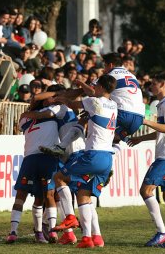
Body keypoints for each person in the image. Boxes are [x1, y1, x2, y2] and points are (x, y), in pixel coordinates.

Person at [51, 74, 117, 248]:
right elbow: (93, 98)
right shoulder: (114, 105)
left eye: (96, 86)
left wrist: (60, 98)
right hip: (107, 158)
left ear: (101, 87)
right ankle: (91, 238)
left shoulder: (95, 102)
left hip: (93, 155)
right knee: (84, 195)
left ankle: (70, 218)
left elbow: (73, 104)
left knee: (59, 178)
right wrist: (82, 84)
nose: (94, 89)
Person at [128, 71, 165, 248]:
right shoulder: (163, 104)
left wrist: (145, 121)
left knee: (145, 191)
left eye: (154, 83)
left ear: (163, 84)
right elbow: (164, 130)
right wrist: (142, 138)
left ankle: (162, 233)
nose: (151, 86)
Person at [6, 98, 61, 243]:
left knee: (21, 196)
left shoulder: (25, 118)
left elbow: (21, 125)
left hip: (29, 159)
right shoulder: (55, 112)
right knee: (48, 195)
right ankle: (52, 231)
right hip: (48, 157)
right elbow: (49, 115)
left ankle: (14, 232)